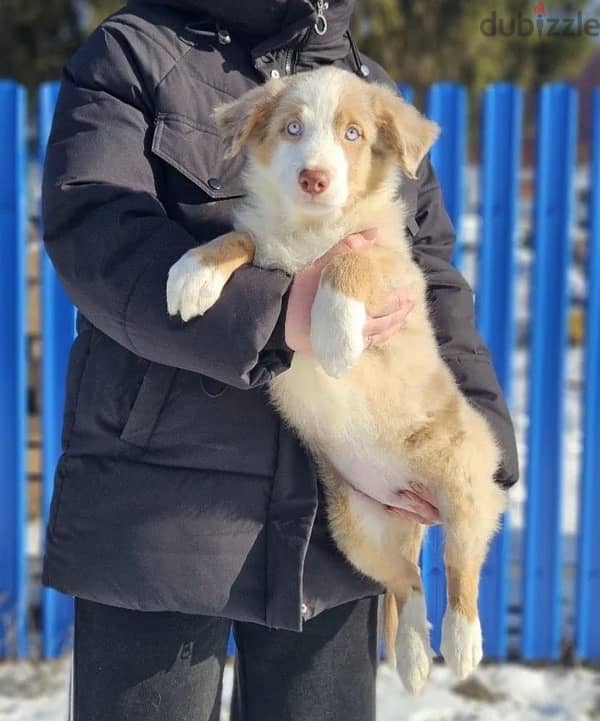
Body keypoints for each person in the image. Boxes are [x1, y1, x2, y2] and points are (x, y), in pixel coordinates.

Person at [41, 1, 519, 719]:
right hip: (164, 517)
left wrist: (476, 448)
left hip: (329, 540)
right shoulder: (134, 52)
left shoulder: (367, 85)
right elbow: (95, 235)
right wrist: (275, 314)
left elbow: (434, 280)